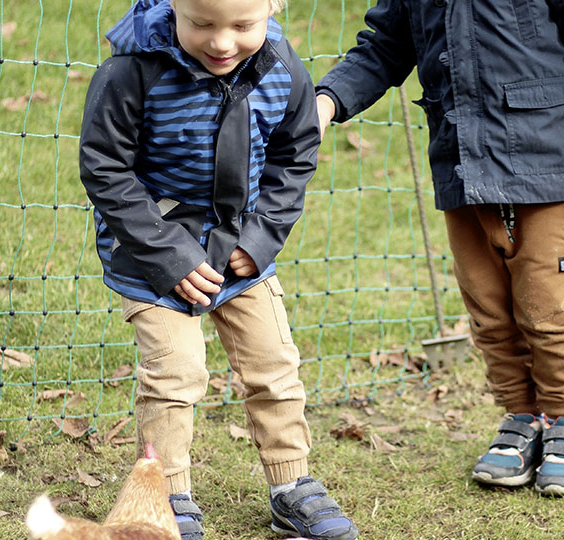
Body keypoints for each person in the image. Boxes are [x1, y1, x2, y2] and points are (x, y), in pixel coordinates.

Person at [315, 0, 564, 496]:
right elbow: (383, 46)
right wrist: (327, 100)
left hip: (547, 162)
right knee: (489, 308)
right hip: (461, 163)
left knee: (547, 306)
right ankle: (522, 417)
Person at [79, 0, 359, 538]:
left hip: (241, 255)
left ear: (273, 8)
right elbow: (105, 166)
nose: (223, 43)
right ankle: (164, 497)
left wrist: (261, 237)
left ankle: (290, 485)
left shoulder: (282, 67)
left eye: (243, 26)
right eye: (202, 24)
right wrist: (169, 255)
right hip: (152, 256)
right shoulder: (133, 70)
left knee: (274, 365)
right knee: (174, 376)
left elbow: (294, 153)